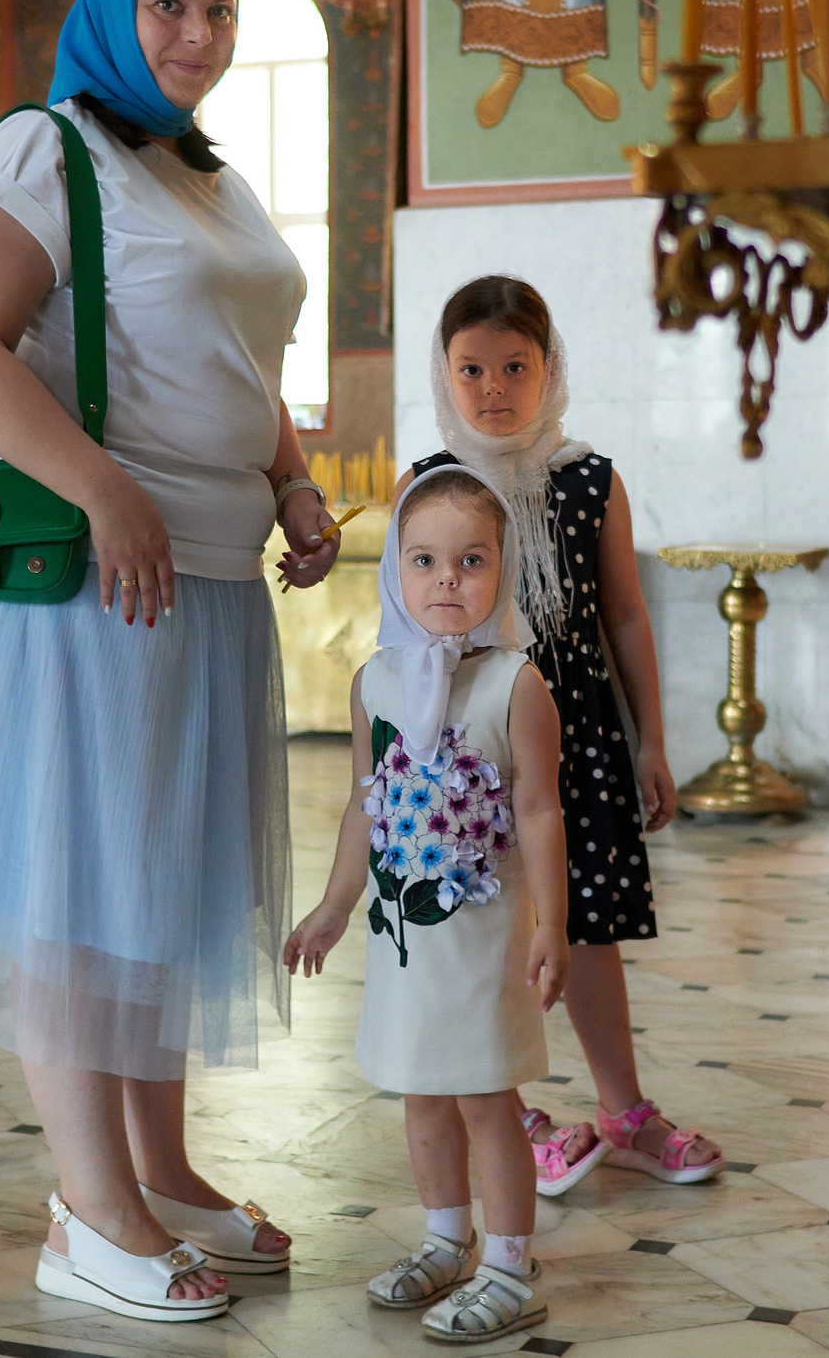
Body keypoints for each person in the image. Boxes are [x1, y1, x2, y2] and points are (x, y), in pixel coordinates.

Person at [0, 0, 339, 1323]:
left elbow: (231, 358)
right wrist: (102, 485)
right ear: (114, 4)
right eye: (171, 2)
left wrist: (289, 480)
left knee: (162, 883)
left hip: (208, 578)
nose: (201, 32)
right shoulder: (48, 149)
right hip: (93, 583)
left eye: (222, 8)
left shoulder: (207, 176)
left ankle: (159, 1163)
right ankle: (87, 1208)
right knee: (82, 887)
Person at [408, 274, 723, 1194]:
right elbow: (405, 628)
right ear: (445, 372)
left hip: (577, 736)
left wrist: (652, 740)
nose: (494, 386)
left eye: (516, 364)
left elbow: (625, 616)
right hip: (471, 748)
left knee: (583, 923)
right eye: (471, 368)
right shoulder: (431, 484)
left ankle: (625, 1111)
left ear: (551, 369)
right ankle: (509, 1113)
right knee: (483, 929)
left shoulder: (592, 479)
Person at [285, 466, 568, 1343]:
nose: (448, 578)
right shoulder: (377, 683)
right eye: (425, 559)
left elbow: (540, 810)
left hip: (484, 942)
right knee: (420, 1091)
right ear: (396, 574)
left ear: (501, 571)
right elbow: (366, 800)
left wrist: (554, 923)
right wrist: (335, 904)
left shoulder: (516, 684)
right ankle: (447, 1235)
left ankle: (512, 1265)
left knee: (487, 1095)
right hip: (405, 941)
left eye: (471, 559)